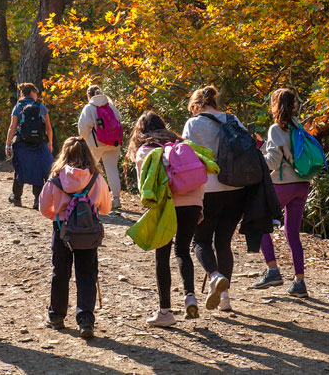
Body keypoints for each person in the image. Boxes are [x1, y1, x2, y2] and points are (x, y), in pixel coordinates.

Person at [127, 111, 205, 327]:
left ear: (141, 131)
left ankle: (165, 312)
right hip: (192, 202)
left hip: (166, 206)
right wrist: (200, 204)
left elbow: (146, 189)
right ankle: (190, 296)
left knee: (162, 256)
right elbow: (199, 176)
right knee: (182, 250)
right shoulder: (182, 145)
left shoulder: (145, 151)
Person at [182, 86, 247, 312]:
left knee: (199, 241)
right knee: (223, 243)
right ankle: (225, 299)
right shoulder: (233, 119)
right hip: (236, 189)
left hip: (208, 190)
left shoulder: (193, 124)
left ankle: (214, 275)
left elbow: (188, 157)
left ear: (196, 105)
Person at [39, 137, 112, 339]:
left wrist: (59, 215)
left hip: (63, 230)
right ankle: (85, 320)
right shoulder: (96, 177)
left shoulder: (56, 177)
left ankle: (56, 315)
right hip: (88, 231)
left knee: (60, 272)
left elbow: (44, 207)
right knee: (87, 274)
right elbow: (106, 207)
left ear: (64, 154)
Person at [251, 88, 311, 298]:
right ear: (293, 106)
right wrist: (263, 146)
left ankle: (273, 271)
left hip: (283, 184)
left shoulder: (276, 128)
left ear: (275, 105)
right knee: (292, 233)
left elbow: (273, 162)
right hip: (303, 185)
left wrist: (256, 154)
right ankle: (299, 282)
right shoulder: (299, 127)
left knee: (258, 222)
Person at [5, 83, 54, 209]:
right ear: (32, 91)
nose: (37, 95)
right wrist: (50, 144)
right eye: (36, 93)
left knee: (20, 169)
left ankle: (17, 198)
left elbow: (12, 127)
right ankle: (37, 200)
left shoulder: (18, 107)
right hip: (39, 144)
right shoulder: (41, 107)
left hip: (22, 143)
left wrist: (7, 144)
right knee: (39, 170)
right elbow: (48, 128)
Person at [77, 85, 123, 210]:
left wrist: (85, 141)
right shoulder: (111, 106)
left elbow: (83, 128)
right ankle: (116, 199)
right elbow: (119, 121)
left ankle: (90, 197)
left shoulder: (89, 108)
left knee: (90, 170)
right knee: (112, 170)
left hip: (95, 145)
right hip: (113, 144)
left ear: (89, 96)